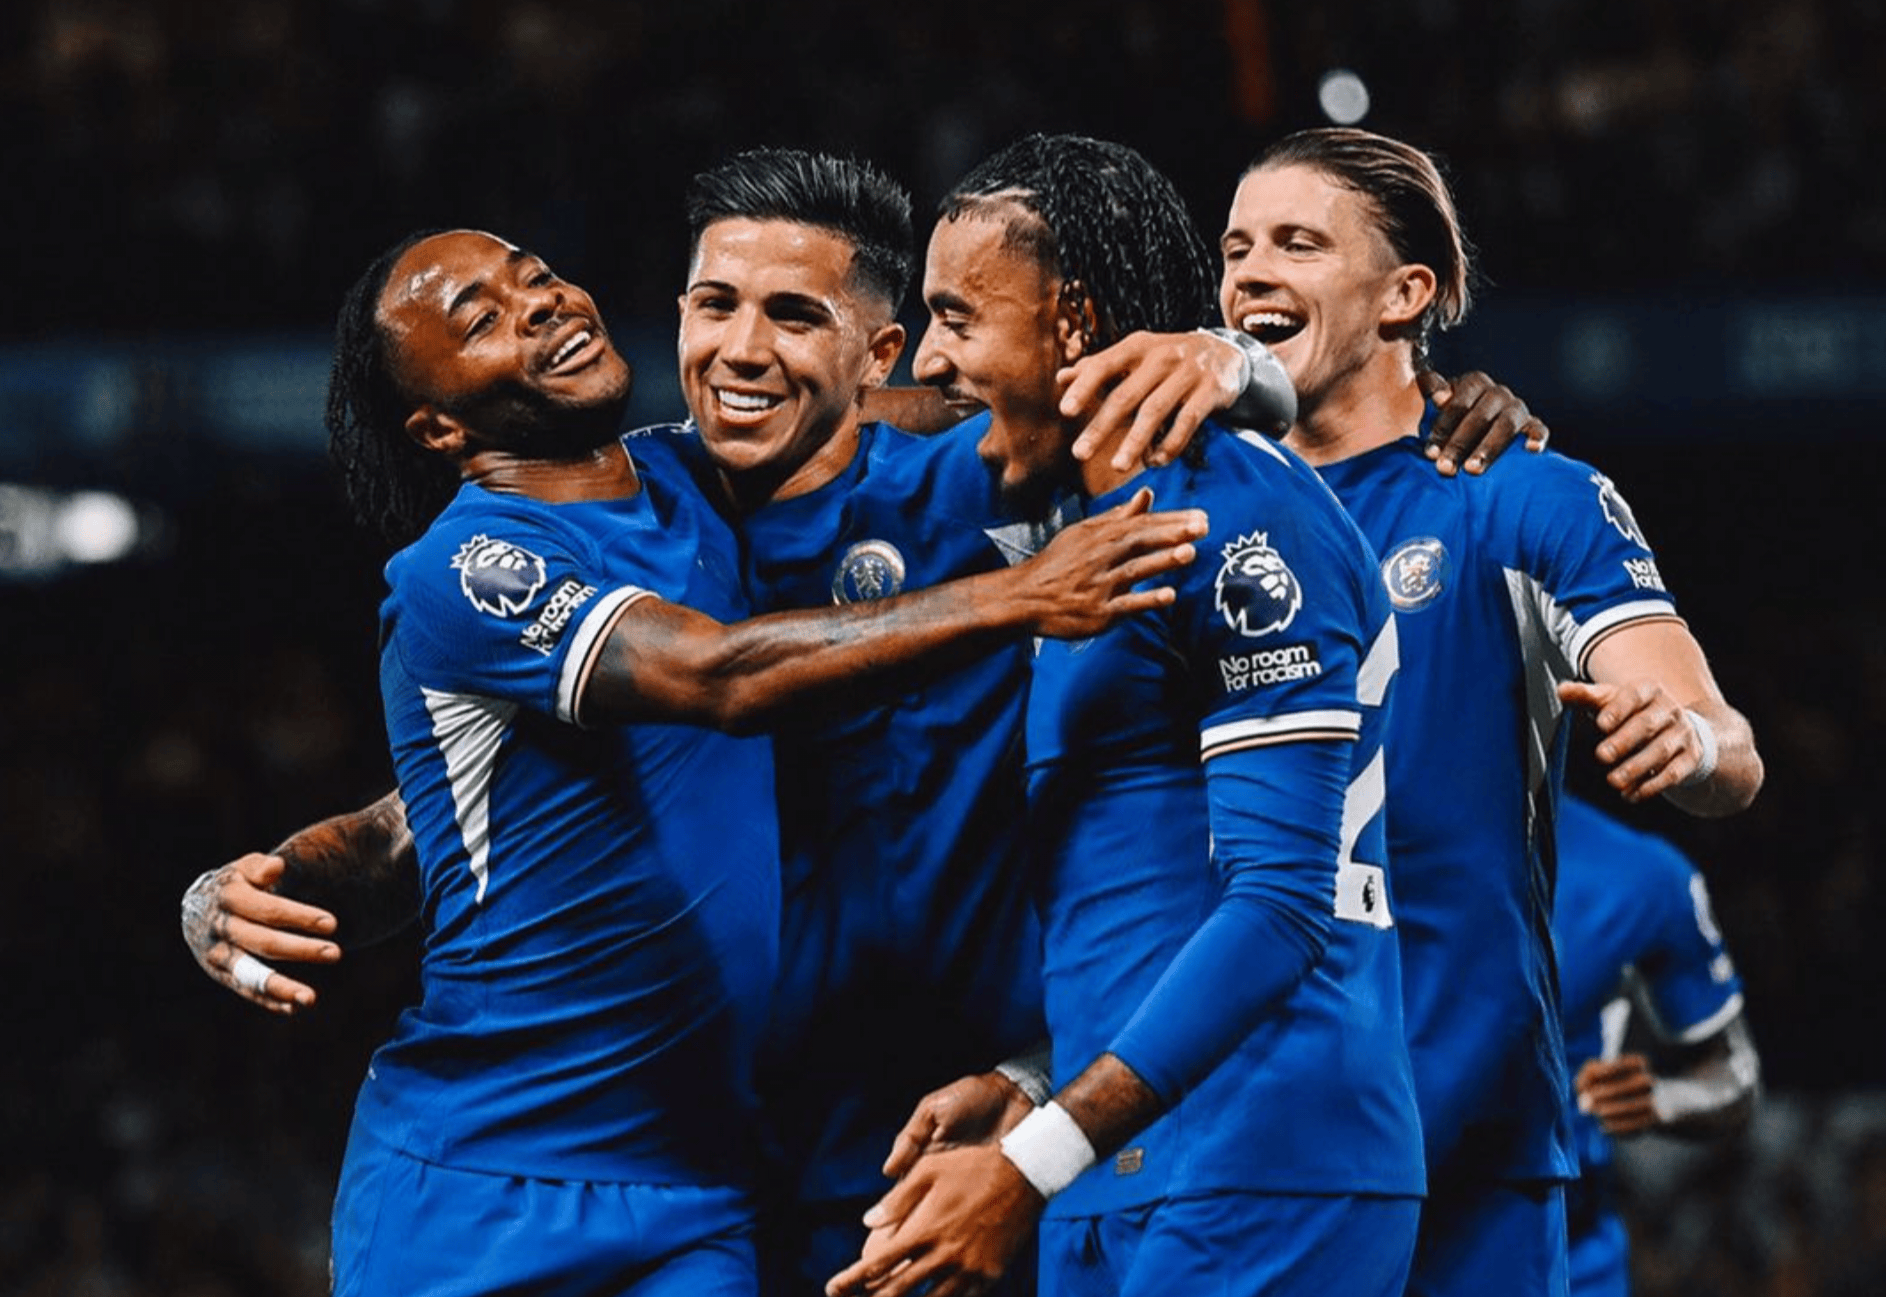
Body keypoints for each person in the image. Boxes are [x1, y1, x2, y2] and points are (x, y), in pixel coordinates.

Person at [184, 150, 1545, 1295]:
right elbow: (485, 787)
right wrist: (240, 885)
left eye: (794, 315)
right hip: (575, 1159)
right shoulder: (548, 543)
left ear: (872, 353)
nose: (742, 350)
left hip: (903, 1149)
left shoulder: (855, 477)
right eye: (714, 305)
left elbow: (1055, 381)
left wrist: (1237, 362)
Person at [853, 127, 1765, 1297]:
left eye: (1297, 243)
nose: (1251, 274)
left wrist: (1683, 738)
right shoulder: (1162, 501)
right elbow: (1174, 885)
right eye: (1235, 249)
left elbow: (1723, 748)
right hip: (1230, 1110)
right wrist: (1044, 1072)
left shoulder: (1513, 496)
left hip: (1465, 1142)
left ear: (1405, 293)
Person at [274, 221, 1212, 1297]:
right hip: (486, 1174)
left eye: (535, 275)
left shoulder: (693, 476)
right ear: (438, 427)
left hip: (699, 1189)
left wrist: (1210, 360)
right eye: (482, 319)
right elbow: (716, 675)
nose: (538, 304)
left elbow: (911, 411)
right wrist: (1021, 594)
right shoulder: (465, 565)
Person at [829, 132, 1427, 1297]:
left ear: (1072, 322)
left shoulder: (1233, 514)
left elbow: (1278, 909)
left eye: (957, 317)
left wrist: (1029, 1163)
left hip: (1265, 1162)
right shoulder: (1084, 538)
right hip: (1123, 1159)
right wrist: (1034, 1081)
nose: (931, 357)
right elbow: (1151, 897)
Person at [1553, 795, 1760, 1297]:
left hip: (1573, 1255)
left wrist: (1662, 1099)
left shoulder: (1641, 876)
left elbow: (1737, 1071)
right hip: (1400, 1231)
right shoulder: (1376, 842)